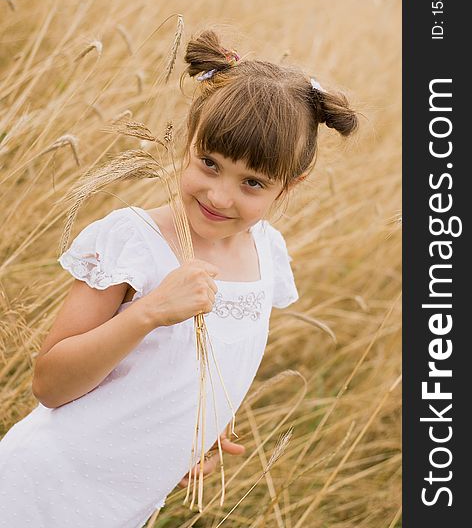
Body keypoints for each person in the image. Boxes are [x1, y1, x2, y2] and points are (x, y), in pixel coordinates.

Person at [0, 28, 358, 527]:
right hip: (44, 489)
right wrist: (147, 313)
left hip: (127, 504)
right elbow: (50, 384)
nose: (219, 196)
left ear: (288, 187)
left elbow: (208, 363)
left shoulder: (266, 253)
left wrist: (204, 425)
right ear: (188, 142)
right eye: (208, 164)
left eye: (252, 183)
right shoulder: (132, 240)